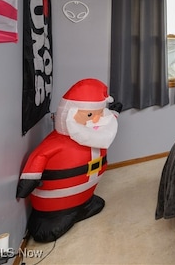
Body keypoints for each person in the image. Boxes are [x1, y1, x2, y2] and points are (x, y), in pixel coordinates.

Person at [16, 79, 121, 242]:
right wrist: (28, 181)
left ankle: (85, 203)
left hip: (87, 199)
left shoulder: (97, 132)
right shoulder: (57, 143)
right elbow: (39, 156)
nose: (95, 120)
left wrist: (113, 114)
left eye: (100, 113)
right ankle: (58, 214)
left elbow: (108, 121)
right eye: (89, 115)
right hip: (55, 211)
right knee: (44, 231)